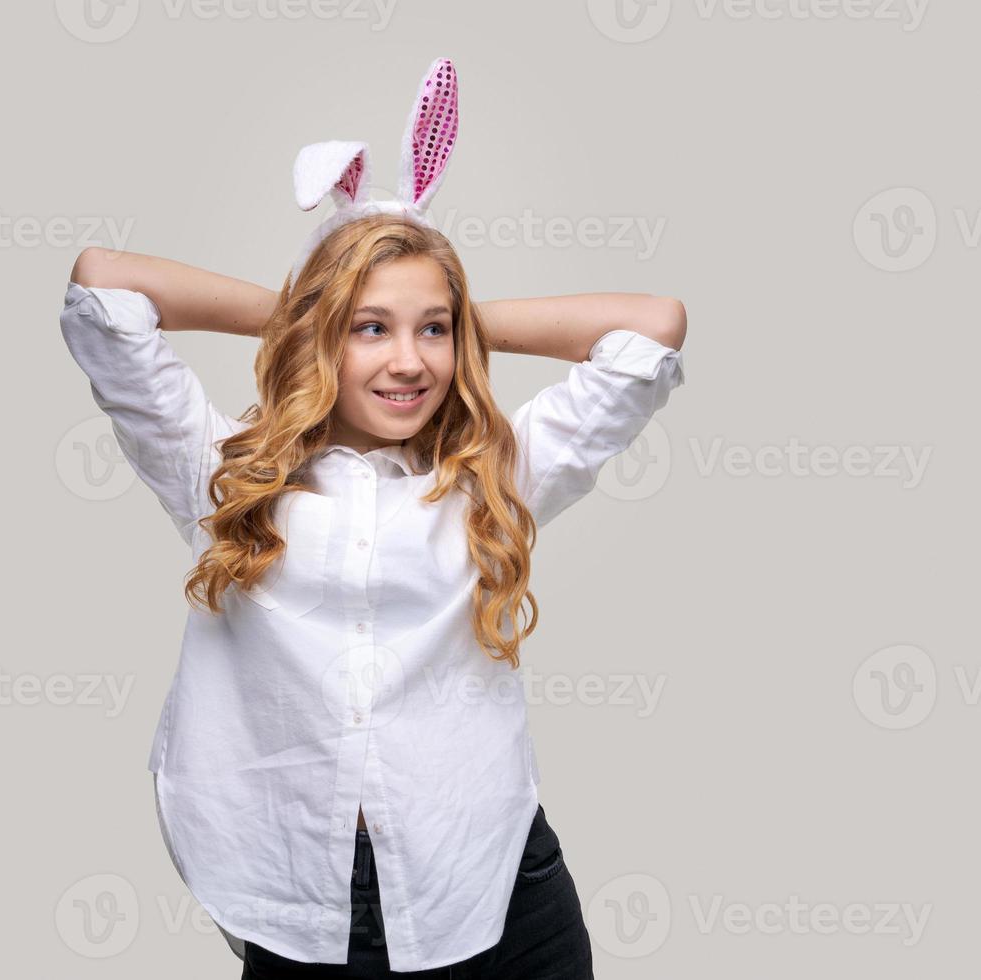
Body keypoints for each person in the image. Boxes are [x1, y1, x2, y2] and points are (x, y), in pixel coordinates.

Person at [57, 58, 687, 980]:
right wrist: (312, 310)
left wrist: (450, 314)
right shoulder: (224, 469)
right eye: (370, 330)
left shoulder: (495, 474)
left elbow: (653, 327)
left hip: (489, 883)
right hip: (299, 892)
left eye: (433, 331)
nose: (410, 362)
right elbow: (104, 289)